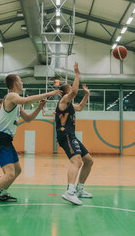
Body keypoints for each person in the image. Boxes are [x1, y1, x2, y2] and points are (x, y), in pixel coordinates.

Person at [0, 74, 61, 215]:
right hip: (0, 138)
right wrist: (50, 93)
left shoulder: (17, 103)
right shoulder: (11, 96)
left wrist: (40, 107)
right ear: (14, 83)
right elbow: (25, 100)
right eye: (20, 81)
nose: (22, 83)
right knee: (9, 173)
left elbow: (29, 119)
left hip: (6, 139)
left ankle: (2, 193)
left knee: (17, 170)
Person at [56, 62, 92, 206]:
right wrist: (77, 74)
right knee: (76, 161)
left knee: (89, 161)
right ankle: (69, 192)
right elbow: (74, 92)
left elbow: (81, 107)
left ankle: (79, 189)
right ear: (66, 92)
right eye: (70, 88)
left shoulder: (70, 105)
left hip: (72, 136)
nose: (72, 89)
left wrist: (87, 95)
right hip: (65, 135)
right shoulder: (64, 100)